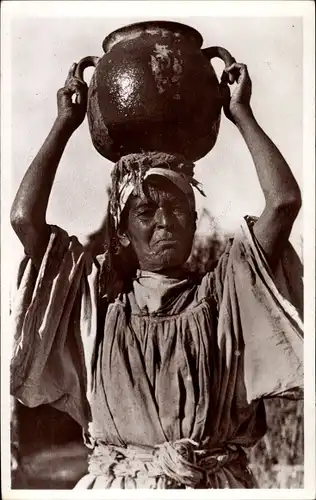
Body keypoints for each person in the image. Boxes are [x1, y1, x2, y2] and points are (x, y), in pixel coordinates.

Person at [10, 59, 303, 489]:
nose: (165, 222)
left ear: (193, 221)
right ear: (124, 232)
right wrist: (64, 123)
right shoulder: (98, 311)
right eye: (146, 211)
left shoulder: (223, 299)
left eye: (179, 209)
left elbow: (282, 204)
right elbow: (24, 219)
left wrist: (242, 113)